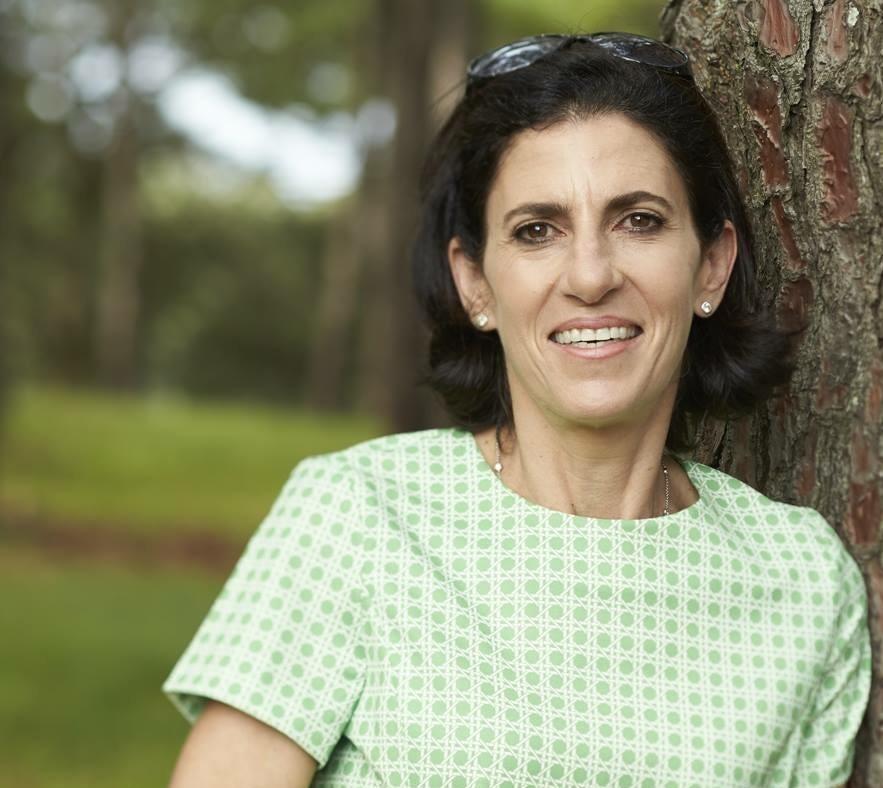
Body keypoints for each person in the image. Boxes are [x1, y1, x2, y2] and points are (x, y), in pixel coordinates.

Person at [163, 32, 872, 787]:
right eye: (537, 231)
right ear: (474, 283)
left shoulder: (800, 578)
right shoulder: (356, 514)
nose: (590, 275)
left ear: (711, 265)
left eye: (638, 220)